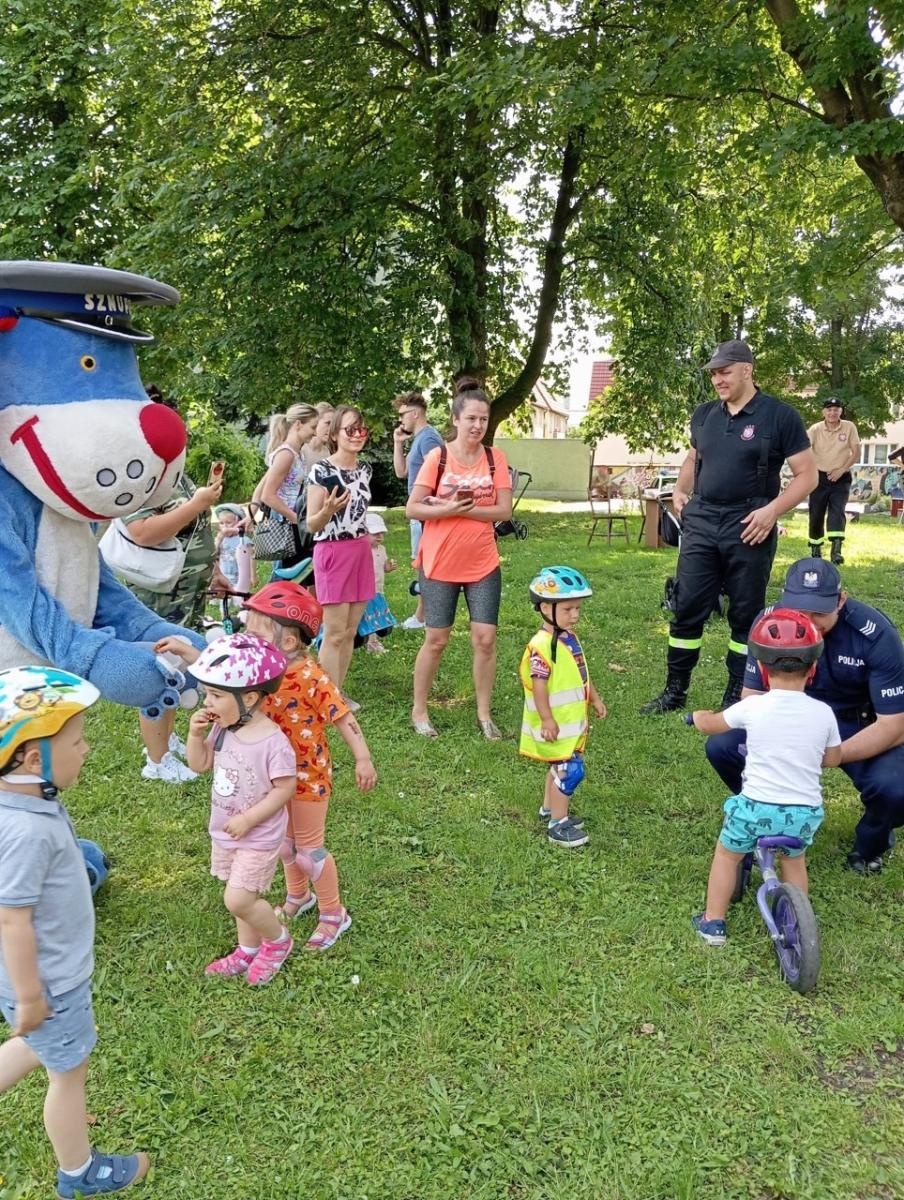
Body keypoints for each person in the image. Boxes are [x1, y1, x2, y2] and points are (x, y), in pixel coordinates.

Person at [0, 666, 150, 1197]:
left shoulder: (21, 801)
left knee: (40, 1044)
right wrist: (31, 994)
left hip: (36, 982)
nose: (86, 749)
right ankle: (78, 1173)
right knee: (69, 1074)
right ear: (32, 757)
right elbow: (11, 916)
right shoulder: (26, 830)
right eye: (79, 739)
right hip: (50, 983)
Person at [641, 338, 817, 716]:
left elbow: (808, 476)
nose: (717, 380)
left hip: (750, 521)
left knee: (745, 612)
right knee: (687, 606)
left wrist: (772, 512)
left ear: (747, 370)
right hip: (703, 520)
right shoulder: (704, 415)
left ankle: (738, 691)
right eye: (714, 374)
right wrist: (681, 489)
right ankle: (675, 691)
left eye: (724, 372)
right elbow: (694, 456)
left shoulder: (779, 416)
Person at [705, 557, 904, 875]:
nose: (809, 621)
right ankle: (763, 813)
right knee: (722, 746)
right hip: (789, 716)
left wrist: (831, 756)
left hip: (857, 723)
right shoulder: (768, 624)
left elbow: (894, 725)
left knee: (897, 788)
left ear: (841, 599)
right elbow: (753, 699)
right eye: (800, 611)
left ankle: (870, 846)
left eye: (819, 613)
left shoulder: (875, 634)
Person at [687, 609, 841, 946]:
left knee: (728, 853)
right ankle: (799, 920)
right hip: (803, 813)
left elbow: (713, 725)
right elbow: (832, 759)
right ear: (812, 668)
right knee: (794, 859)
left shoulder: (752, 707)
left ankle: (713, 921)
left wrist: (697, 717)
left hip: (756, 810)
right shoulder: (824, 713)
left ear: (764, 671)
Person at [241, 582, 377, 948]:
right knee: (285, 846)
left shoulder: (310, 677)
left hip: (308, 778)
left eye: (257, 633)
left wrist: (362, 757)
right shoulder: (259, 672)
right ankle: (299, 896)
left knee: (309, 851)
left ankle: (335, 913)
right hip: (274, 777)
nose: (247, 640)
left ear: (288, 642)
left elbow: (342, 716)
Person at [178, 632, 297, 984]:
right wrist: (195, 736)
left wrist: (249, 819)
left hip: (257, 835)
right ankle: (247, 949)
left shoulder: (273, 742)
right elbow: (199, 765)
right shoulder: (223, 729)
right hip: (226, 830)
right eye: (207, 693)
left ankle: (277, 941)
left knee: (238, 899)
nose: (207, 702)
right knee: (240, 895)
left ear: (249, 698)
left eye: (216, 695)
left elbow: (285, 788)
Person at [405, 378, 512, 739]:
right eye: (471, 418)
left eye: (483, 419)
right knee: (436, 638)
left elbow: (504, 511)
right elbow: (412, 507)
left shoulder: (495, 458)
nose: (478, 425)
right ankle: (419, 709)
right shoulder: (439, 457)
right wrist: (451, 508)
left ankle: (483, 714)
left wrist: (458, 511)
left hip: (483, 562)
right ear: (455, 419)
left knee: (485, 638)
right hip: (440, 561)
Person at [123, 461, 229, 784]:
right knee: (158, 674)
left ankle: (165, 741)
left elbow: (196, 531)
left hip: (186, 597)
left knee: (174, 673)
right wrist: (197, 503)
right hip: (160, 601)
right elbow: (141, 531)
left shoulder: (174, 475)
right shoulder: (137, 474)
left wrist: (212, 572)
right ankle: (156, 761)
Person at [519, 567, 607, 849]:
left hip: (570, 723)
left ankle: (548, 809)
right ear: (545, 607)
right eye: (568, 609)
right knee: (569, 772)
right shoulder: (542, 646)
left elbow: (580, 673)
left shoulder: (568, 637)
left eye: (578, 608)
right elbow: (539, 684)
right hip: (555, 724)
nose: (575, 614)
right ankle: (558, 822)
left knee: (559, 767)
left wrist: (594, 697)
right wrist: (546, 719)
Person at [305, 405, 375, 699]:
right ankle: (324, 697)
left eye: (361, 430)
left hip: (360, 550)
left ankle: (337, 692)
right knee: (334, 632)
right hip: (332, 551)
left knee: (350, 631)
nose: (357, 435)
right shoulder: (321, 470)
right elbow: (311, 523)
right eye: (350, 430)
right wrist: (328, 510)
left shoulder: (365, 470)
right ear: (334, 434)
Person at [392, 391, 444, 630]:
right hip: (418, 510)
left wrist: (427, 505)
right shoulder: (418, 438)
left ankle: (423, 617)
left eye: (403, 414)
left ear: (415, 413)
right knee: (422, 561)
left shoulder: (429, 438)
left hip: (424, 510)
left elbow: (439, 475)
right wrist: (397, 443)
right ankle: (425, 615)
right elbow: (401, 473)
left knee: (426, 562)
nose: (400, 420)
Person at [255, 402, 319, 572]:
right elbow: (268, 495)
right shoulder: (286, 454)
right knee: (290, 576)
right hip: (287, 526)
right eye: (313, 426)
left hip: (294, 522)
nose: (315, 432)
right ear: (298, 424)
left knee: (302, 574)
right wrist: (294, 518)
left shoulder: (297, 453)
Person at [807, 397, 861, 564]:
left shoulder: (849, 427)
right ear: (823, 412)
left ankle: (836, 551)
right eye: (829, 409)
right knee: (816, 513)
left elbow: (856, 452)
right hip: (819, 477)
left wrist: (841, 470)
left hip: (841, 476)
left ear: (841, 412)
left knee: (837, 511)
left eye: (836, 409)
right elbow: (804, 450)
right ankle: (816, 549)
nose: (832, 412)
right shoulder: (815, 429)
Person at [356, 511, 398, 654]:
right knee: (362, 616)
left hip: (378, 590)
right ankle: (360, 639)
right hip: (364, 591)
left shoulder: (382, 549)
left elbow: (384, 568)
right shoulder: (361, 551)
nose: (380, 536)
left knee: (375, 617)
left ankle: (372, 643)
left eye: (382, 533)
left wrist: (389, 567)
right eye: (375, 533)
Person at [214, 503, 249, 590]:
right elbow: (214, 553)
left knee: (240, 596)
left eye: (228, 523)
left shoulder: (243, 540)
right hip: (224, 575)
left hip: (239, 577)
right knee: (225, 598)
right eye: (221, 523)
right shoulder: (221, 539)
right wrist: (219, 538)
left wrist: (253, 576)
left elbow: (251, 559)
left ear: (238, 523)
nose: (224, 526)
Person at [301, 403, 336, 473]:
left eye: (333, 425)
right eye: (328, 423)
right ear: (316, 422)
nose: (331, 429)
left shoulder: (326, 452)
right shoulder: (301, 450)